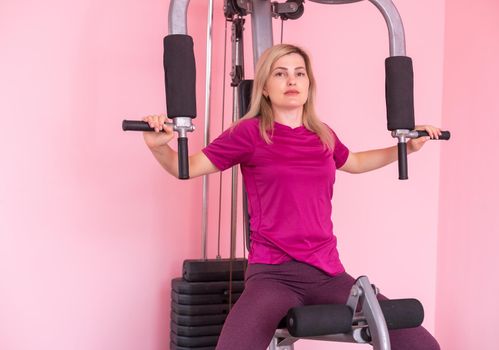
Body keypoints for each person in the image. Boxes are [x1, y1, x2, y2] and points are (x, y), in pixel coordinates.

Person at [143, 44, 441, 350]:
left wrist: (406, 148)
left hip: (329, 274)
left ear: (309, 84)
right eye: (281, 74)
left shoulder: (323, 134)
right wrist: (157, 146)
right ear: (266, 87)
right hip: (273, 275)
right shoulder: (249, 133)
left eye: (300, 74)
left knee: (421, 344)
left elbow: (355, 162)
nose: (292, 81)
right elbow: (187, 168)